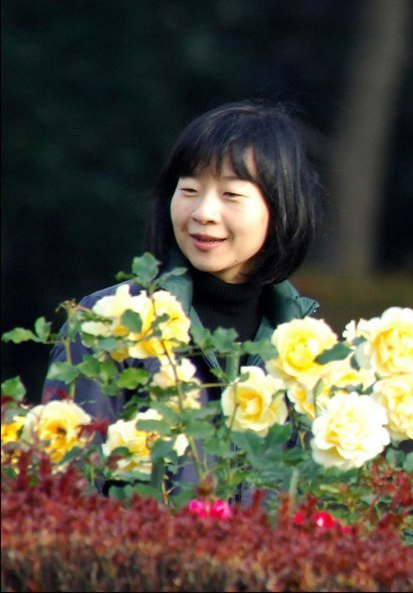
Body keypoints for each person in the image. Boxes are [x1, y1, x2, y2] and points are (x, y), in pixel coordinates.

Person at [45, 100, 324, 445]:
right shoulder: (108, 322)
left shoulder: (310, 351)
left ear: (280, 207)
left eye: (231, 195)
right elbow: (66, 480)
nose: (204, 212)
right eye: (189, 190)